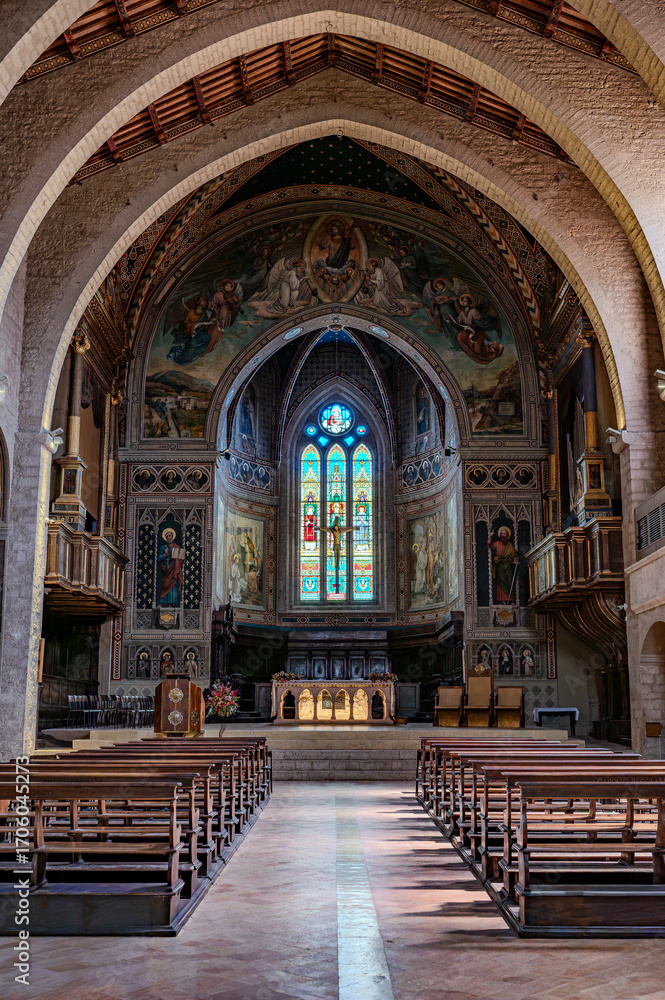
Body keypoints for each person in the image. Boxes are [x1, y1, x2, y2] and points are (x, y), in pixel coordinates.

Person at [488, 526, 519, 604]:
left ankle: (511, 600)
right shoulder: (497, 544)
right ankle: (502, 601)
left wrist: (515, 560)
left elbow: (514, 554)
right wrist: (490, 536)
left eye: (504, 534)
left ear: (507, 535)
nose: (502, 535)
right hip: (500, 567)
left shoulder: (510, 545)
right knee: (500, 585)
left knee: (509, 582)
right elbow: (489, 545)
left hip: (508, 566)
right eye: (501, 534)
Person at [157, 528, 184, 606]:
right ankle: (161, 602)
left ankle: (170, 604)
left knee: (173, 586)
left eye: (169, 536)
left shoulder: (177, 547)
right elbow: (158, 558)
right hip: (166, 569)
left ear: (173, 536)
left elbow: (181, 560)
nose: (168, 537)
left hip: (174, 569)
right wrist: (165, 554)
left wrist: (178, 559)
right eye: (167, 536)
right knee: (165, 585)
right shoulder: (163, 547)